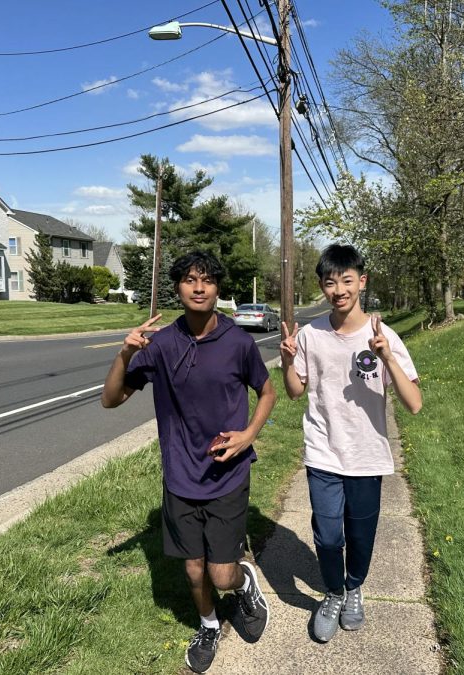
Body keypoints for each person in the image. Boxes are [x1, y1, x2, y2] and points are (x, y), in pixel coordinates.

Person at [101, 250, 276, 673]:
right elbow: (110, 399)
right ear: (178, 287)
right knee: (194, 573)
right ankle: (208, 623)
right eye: (190, 280)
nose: (199, 288)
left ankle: (244, 581)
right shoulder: (160, 345)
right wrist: (124, 354)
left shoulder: (238, 342)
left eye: (208, 280)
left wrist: (248, 435)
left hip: (227, 474)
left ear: (218, 289)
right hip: (180, 476)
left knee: (220, 575)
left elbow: (267, 392)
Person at [279, 243, 422, 643]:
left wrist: (388, 357)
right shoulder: (310, 335)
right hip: (322, 450)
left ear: (362, 280)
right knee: (327, 535)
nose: (338, 289)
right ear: (322, 287)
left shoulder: (382, 335)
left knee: (360, 535)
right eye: (330, 282)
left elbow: (414, 404)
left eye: (346, 280)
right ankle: (334, 592)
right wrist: (289, 361)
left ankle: (354, 586)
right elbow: (294, 392)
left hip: (366, 456)